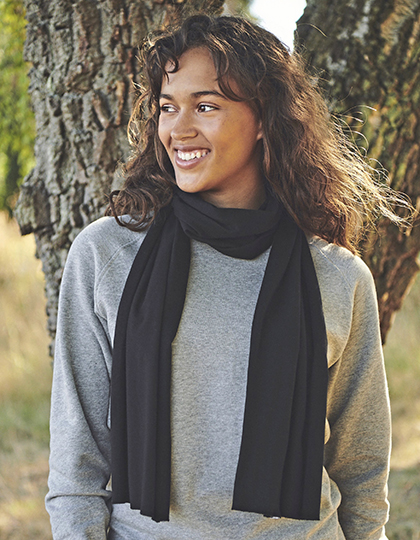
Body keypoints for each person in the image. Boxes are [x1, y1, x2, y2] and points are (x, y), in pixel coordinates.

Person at [46, 14, 407, 540]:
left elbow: (362, 466)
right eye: (168, 107)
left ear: (264, 118)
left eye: (206, 106)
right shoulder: (107, 254)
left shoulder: (336, 274)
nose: (179, 129)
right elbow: (76, 461)